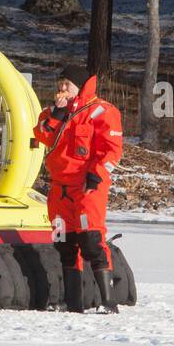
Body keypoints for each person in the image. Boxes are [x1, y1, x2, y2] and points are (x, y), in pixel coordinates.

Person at [32, 64, 124, 313]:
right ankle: (72, 302)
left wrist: (97, 174)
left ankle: (108, 302)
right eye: (59, 84)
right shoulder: (51, 113)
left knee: (91, 240)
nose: (62, 89)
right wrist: (58, 115)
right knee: (64, 241)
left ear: (81, 86)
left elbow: (113, 150)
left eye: (67, 85)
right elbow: (42, 135)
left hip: (87, 188)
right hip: (60, 189)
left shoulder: (102, 111)